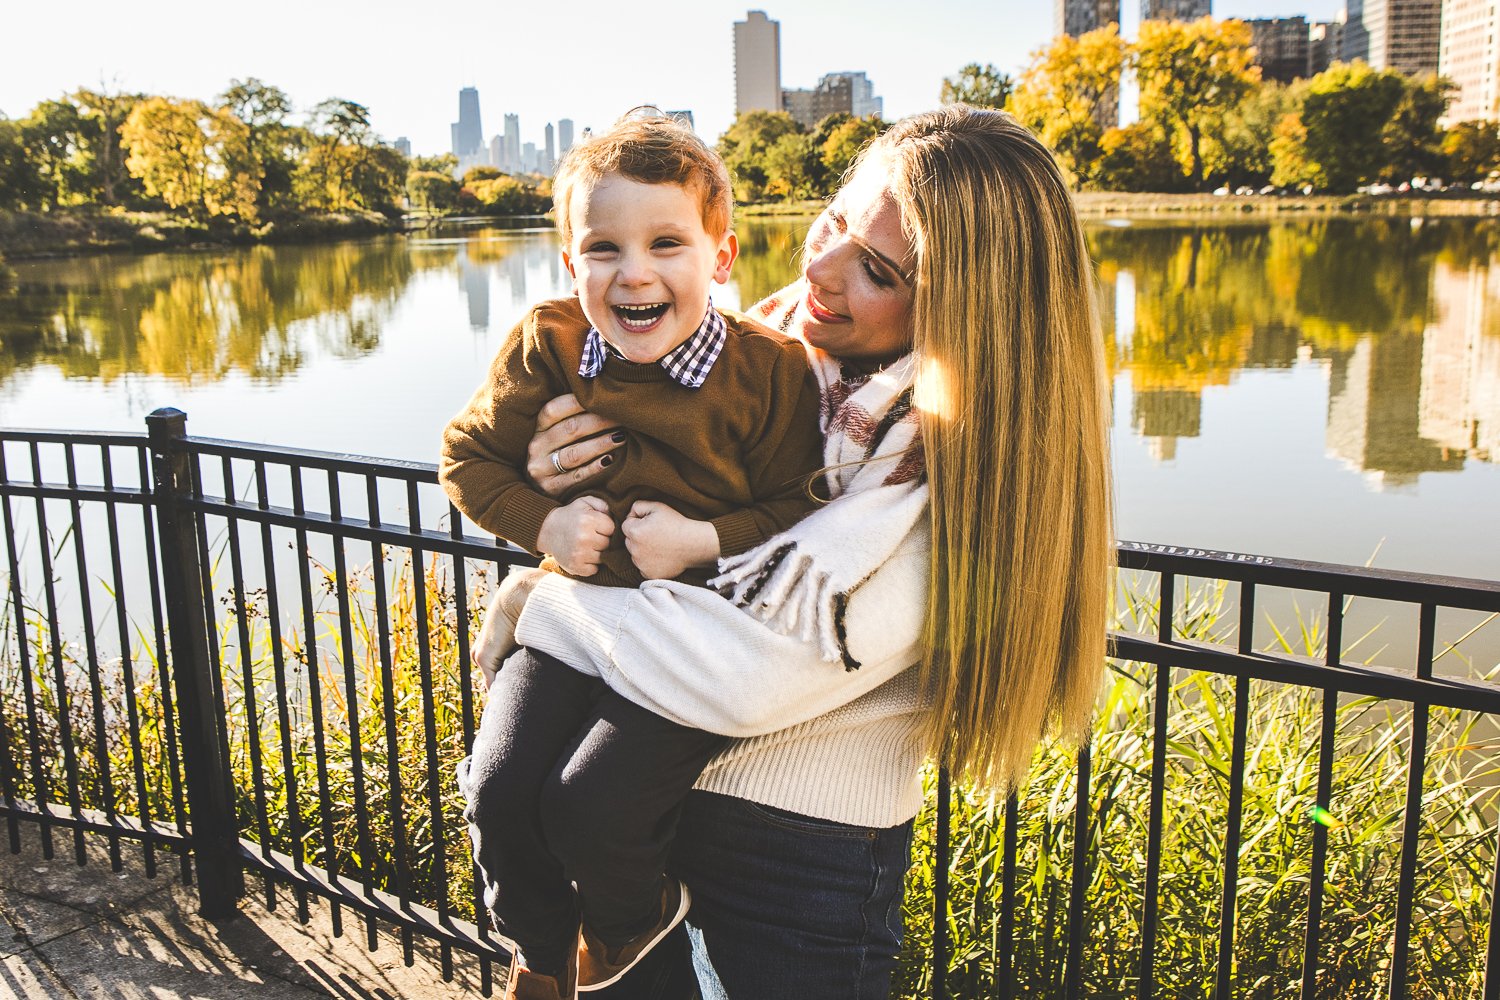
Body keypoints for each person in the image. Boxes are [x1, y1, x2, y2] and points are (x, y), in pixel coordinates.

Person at [472, 105, 1115, 1000]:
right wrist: (555, 489)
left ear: (964, 311)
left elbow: (739, 671)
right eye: (835, 221)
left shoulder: (949, 471)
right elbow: (611, 514)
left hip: (798, 862)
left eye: (877, 268)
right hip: (640, 818)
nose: (818, 268)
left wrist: (543, 600)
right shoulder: (755, 367)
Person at [440, 113, 826, 1000]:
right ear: (571, 266)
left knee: (592, 808)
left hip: (693, 642)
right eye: (603, 249)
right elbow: (466, 459)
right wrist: (544, 527)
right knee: (498, 791)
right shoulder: (549, 343)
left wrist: (702, 539)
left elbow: (800, 507)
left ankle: (626, 939)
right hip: (577, 616)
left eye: (666, 242)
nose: (635, 271)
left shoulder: (770, 372)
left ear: (721, 258)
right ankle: (538, 960)